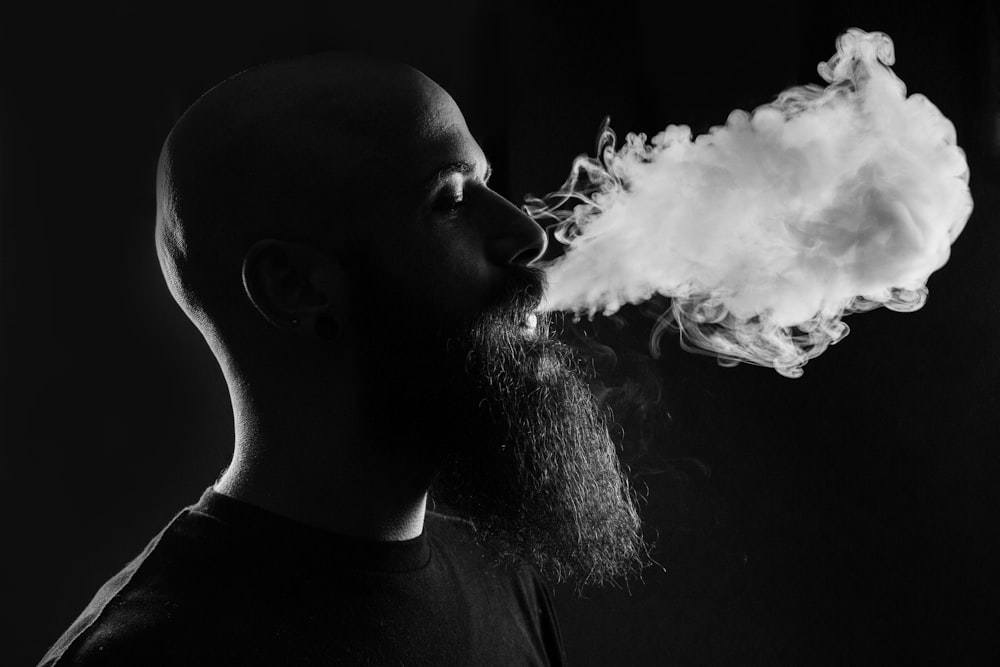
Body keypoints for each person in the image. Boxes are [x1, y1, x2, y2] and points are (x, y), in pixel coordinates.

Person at [40, 52, 647, 666]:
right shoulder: (152, 653)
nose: (529, 235)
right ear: (296, 287)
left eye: (488, 183)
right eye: (451, 199)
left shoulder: (501, 578)